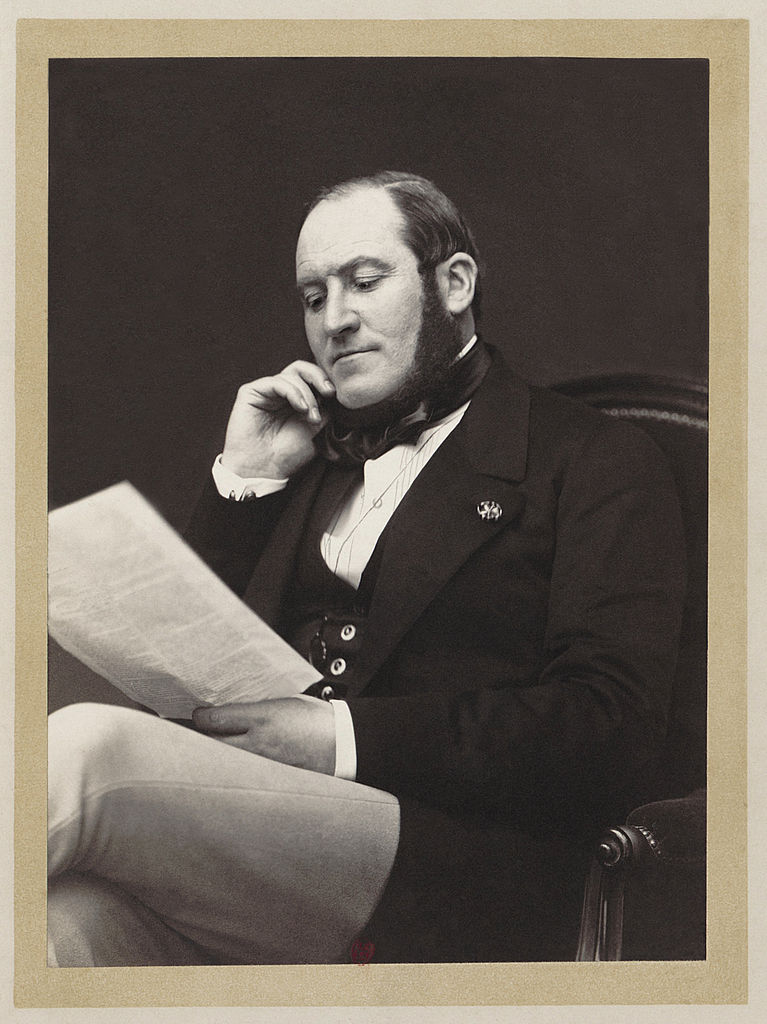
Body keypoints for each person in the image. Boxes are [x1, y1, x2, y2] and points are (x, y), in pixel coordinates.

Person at [47, 171, 686, 966]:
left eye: (364, 281)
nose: (335, 320)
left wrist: (340, 737)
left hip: (459, 872)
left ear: (453, 283)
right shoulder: (304, 456)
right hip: (263, 855)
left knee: (88, 752)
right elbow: (182, 654)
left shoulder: (593, 457)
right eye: (313, 297)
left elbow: (608, 727)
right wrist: (247, 482)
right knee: (55, 926)